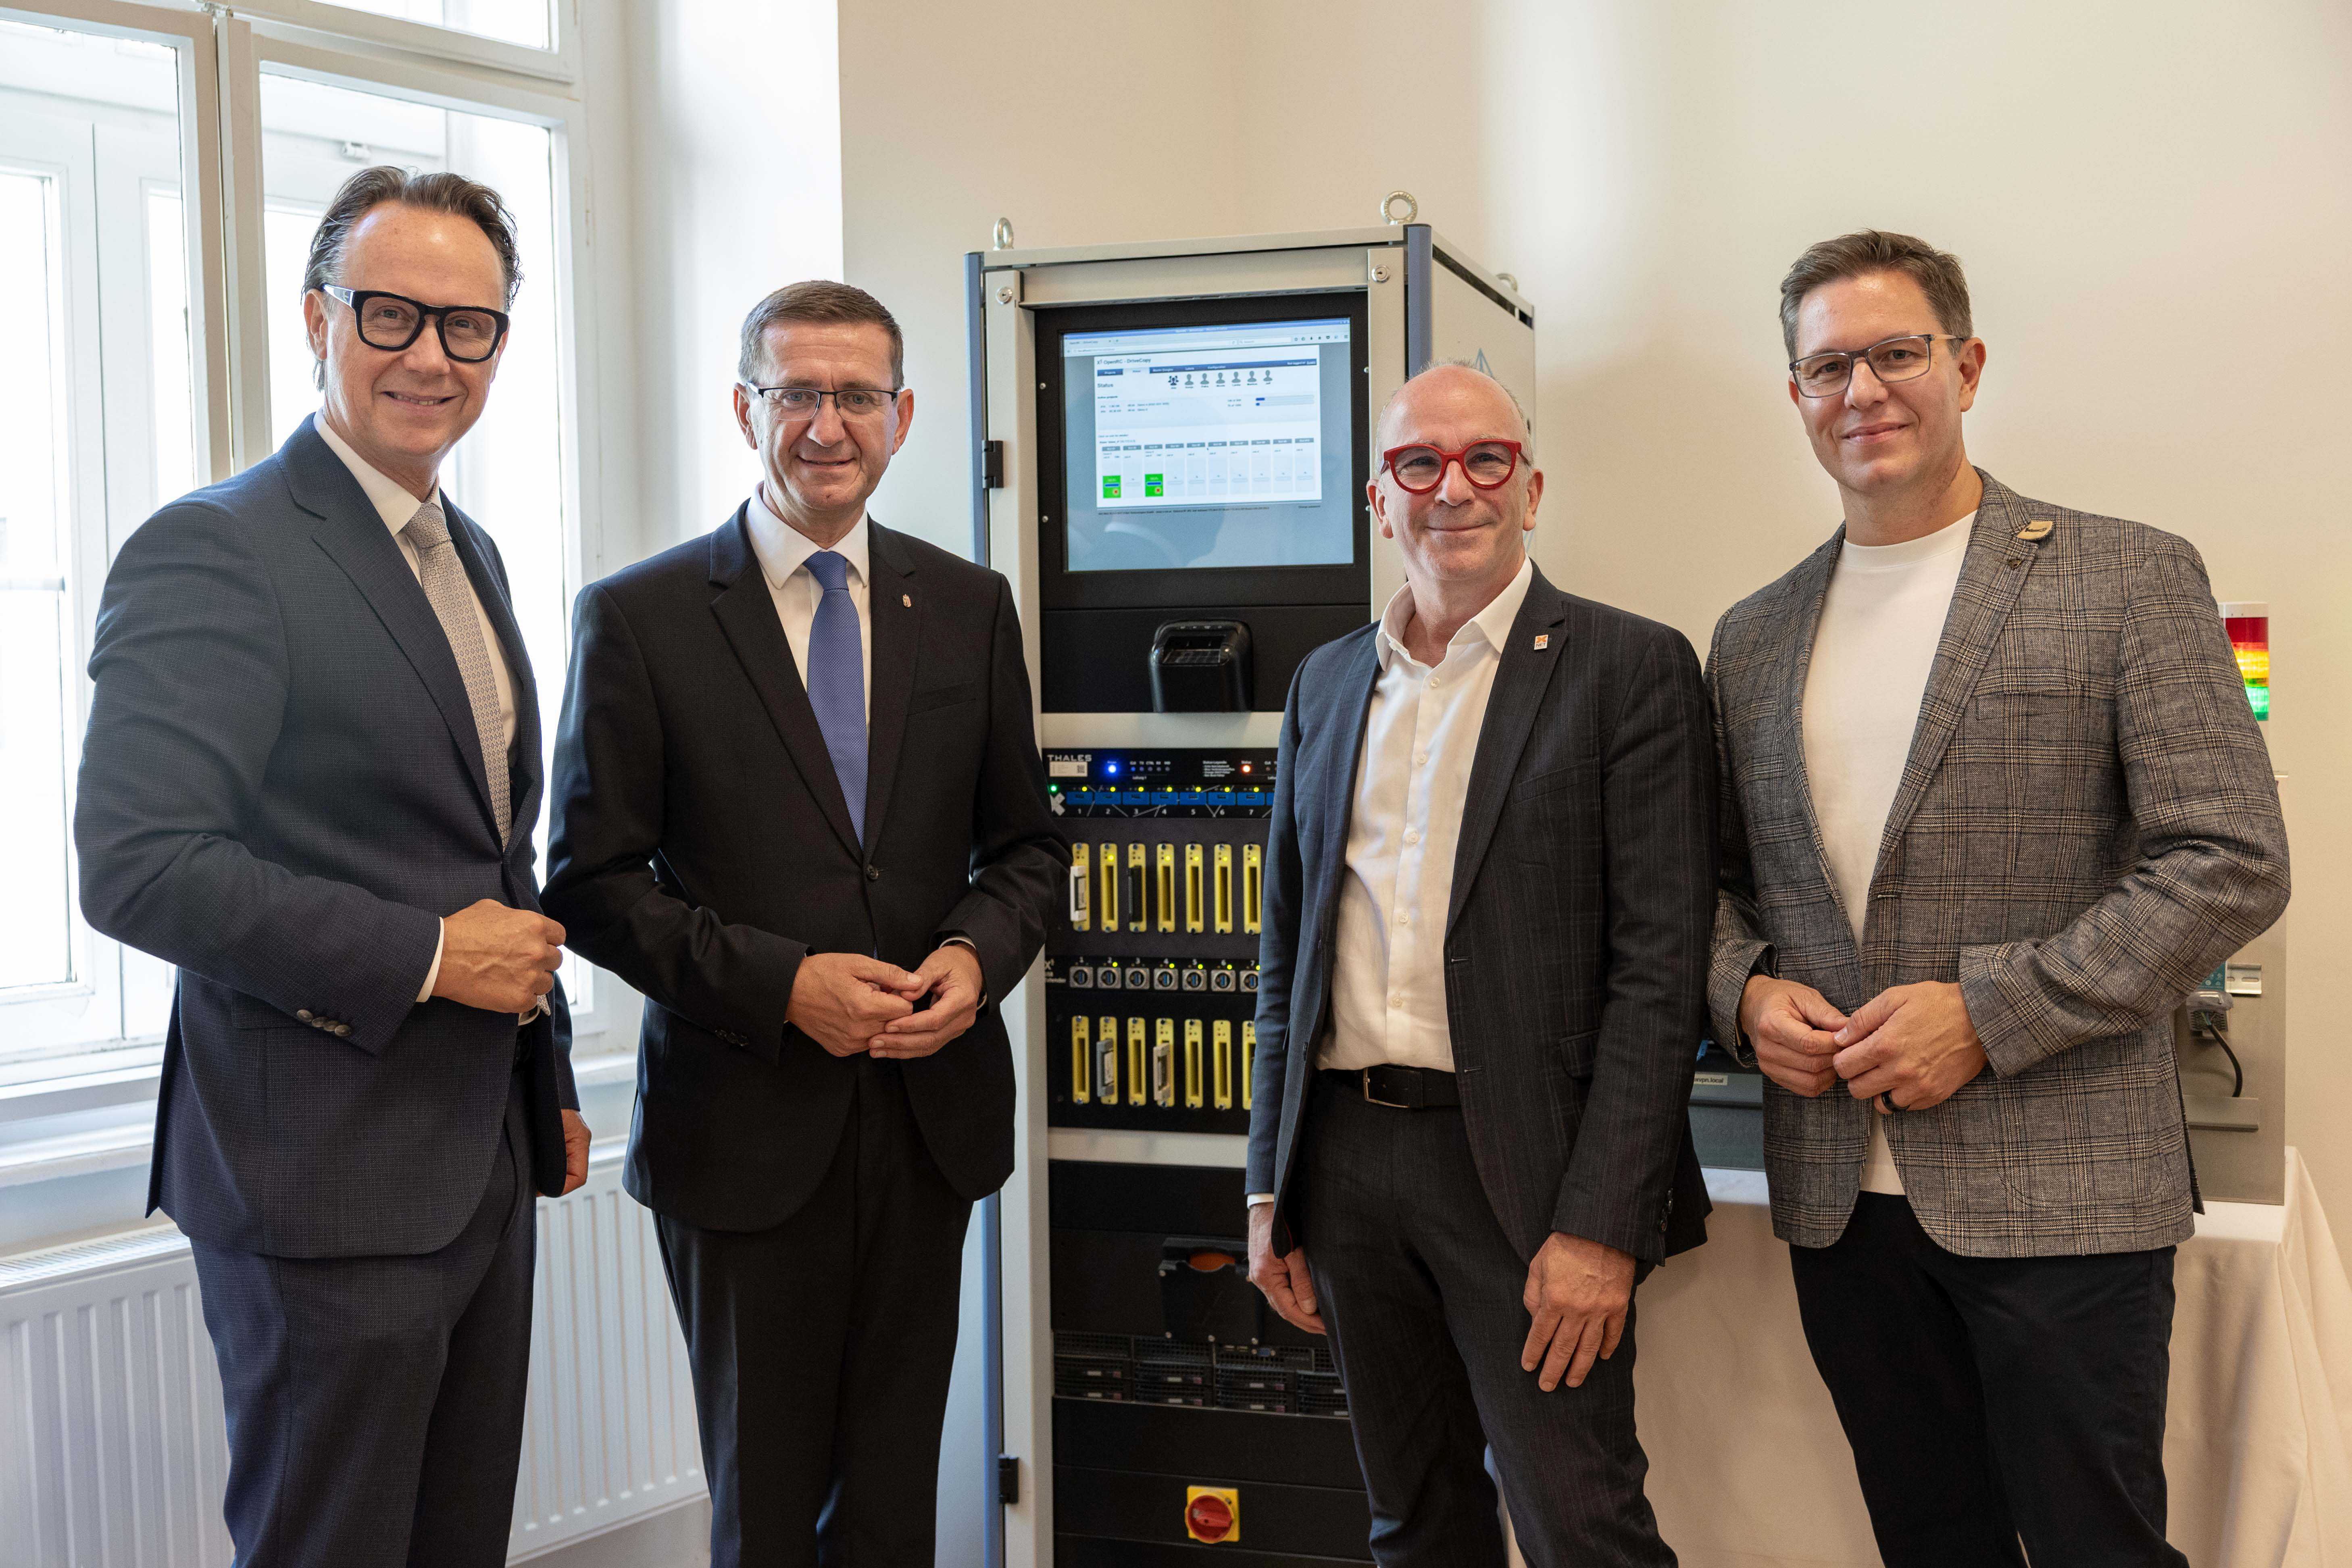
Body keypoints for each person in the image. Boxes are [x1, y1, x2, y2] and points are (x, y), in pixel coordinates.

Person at [1707, 230, 2290, 1565]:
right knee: (1928, 1543)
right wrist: (1740, 992)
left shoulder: (2125, 574)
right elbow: (1716, 888)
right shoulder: (1750, 635)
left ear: (1965, 367)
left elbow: (2229, 856)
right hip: (1840, 1201)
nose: (1862, 389)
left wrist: (1985, 1012)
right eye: (1828, 366)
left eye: (1895, 353)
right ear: (1795, 395)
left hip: (2064, 1187)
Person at [74, 166, 589, 1568]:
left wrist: (541, 1080)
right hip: (318, 1181)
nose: (431, 355)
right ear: (318, 319)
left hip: (479, 1161)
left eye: (468, 325)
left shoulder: (468, 551)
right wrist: (431, 956)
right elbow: (139, 865)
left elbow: (486, 849)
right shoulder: (216, 548)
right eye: (390, 313)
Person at [543, 280, 1066, 1567]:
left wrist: (974, 956)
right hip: (743, 1128)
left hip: (927, 1119)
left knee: (892, 1507)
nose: (826, 425)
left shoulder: (968, 605)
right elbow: (592, 881)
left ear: (902, 416)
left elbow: (1028, 849)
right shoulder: (642, 617)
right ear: (746, 409)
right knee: (767, 1510)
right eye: (796, 394)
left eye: (856, 396)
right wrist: (783, 986)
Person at [1244, 362, 1715, 1566]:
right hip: (1346, 1164)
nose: (1452, 488)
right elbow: (1286, 956)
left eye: (1484, 459)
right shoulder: (1326, 682)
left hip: (1527, 1174)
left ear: (1531, 488)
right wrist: (1268, 1187)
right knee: (1414, 1522)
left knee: (1581, 1527)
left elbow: (1659, 973)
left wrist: (1603, 1224)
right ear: (1378, 499)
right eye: (1419, 464)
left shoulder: (1628, 668)